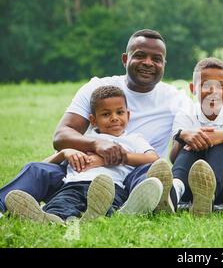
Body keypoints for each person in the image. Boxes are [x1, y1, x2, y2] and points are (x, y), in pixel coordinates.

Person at [0, 29, 192, 215]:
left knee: (151, 173)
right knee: (37, 169)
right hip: (83, 171)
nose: (148, 63)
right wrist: (97, 144)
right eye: (140, 55)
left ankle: (142, 203)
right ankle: (7, 206)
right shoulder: (98, 87)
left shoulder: (175, 99)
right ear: (125, 59)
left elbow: (185, 139)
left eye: (156, 59)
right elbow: (61, 135)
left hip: (131, 175)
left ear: (164, 64)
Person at [5, 86, 163, 224]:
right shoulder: (83, 140)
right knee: (60, 206)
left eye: (120, 112)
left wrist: (108, 160)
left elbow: (153, 159)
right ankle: (49, 219)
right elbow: (42, 166)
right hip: (74, 184)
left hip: (111, 187)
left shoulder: (133, 140)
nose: (114, 118)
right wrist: (65, 153)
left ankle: (104, 214)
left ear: (128, 115)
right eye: (106, 114)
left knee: (107, 206)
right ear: (93, 120)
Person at [163, 57, 223, 216]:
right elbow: (173, 157)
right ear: (193, 88)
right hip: (190, 188)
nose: (214, 92)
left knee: (218, 142)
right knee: (192, 142)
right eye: (206, 85)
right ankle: (174, 192)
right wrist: (183, 136)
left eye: (221, 86)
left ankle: (207, 195)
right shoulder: (185, 114)